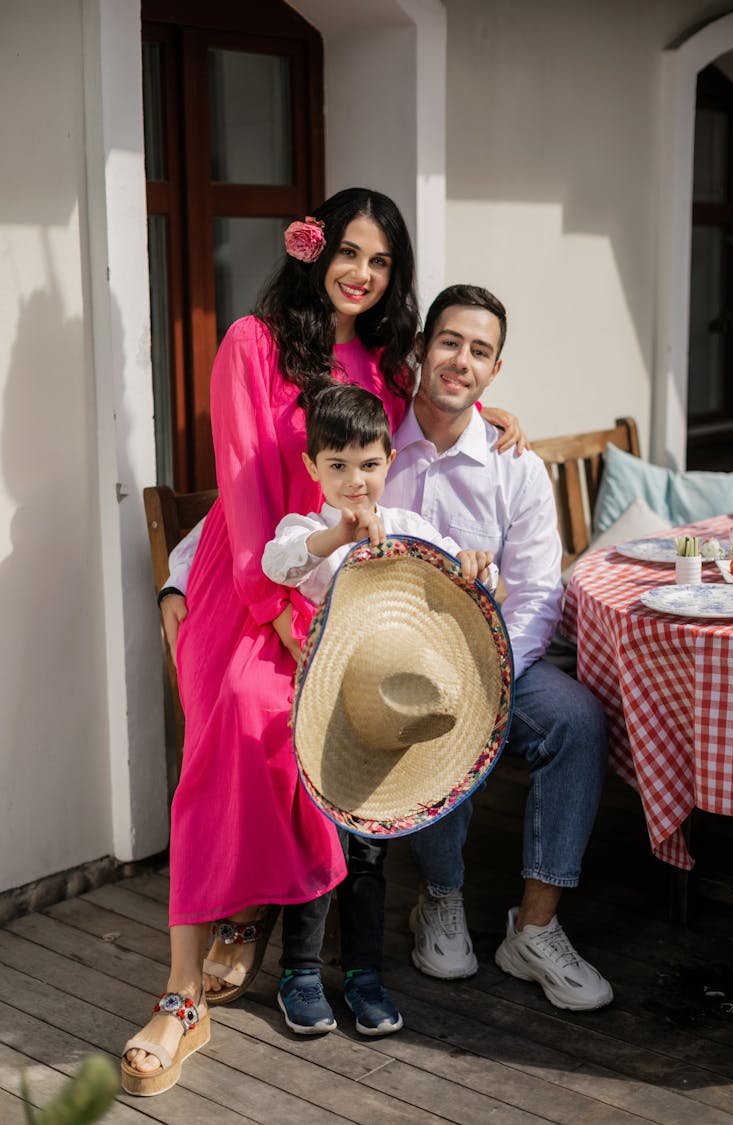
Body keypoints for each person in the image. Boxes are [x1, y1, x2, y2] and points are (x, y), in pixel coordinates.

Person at [161, 282, 613, 1015]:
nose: (462, 361)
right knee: (372, 722)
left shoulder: (513, 461)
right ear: (420, 351)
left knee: (578, 720)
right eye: (450, 342)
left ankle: (535, 925)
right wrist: (180, 575)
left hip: (495, 657)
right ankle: (434, 900)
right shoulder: (368, 435)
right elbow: (260, 507)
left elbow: (535, 593)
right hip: (367, 664)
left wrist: (487, 679)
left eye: (480, 350)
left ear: (497, 369)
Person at [122, 187, 423, 1096]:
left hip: (340, 588)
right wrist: (285, 620)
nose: (363, 275)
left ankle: (249, 913)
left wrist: (497, 425)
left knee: (344, 724)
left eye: (381, 262)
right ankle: (181, 997)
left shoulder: (386, 367)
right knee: (244, 718)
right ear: (313, 248)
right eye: (350, 253)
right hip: (253, 576)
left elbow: (395, 465)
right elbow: (248, 495)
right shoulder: (251, 345)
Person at [259, 381, 496, 1038]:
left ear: (389, 460)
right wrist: (335, 533)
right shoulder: (306, 529)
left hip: (379, 722)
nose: (354, 480)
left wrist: (480, 566)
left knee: (367, 852)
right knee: (316, 843)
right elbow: (275, 563)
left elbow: (459, 574)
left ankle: (363, 971)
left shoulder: (412, 529)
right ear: (313, 468)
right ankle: (300, 970)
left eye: (368, 464)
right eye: (337, 465)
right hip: (324, 718)